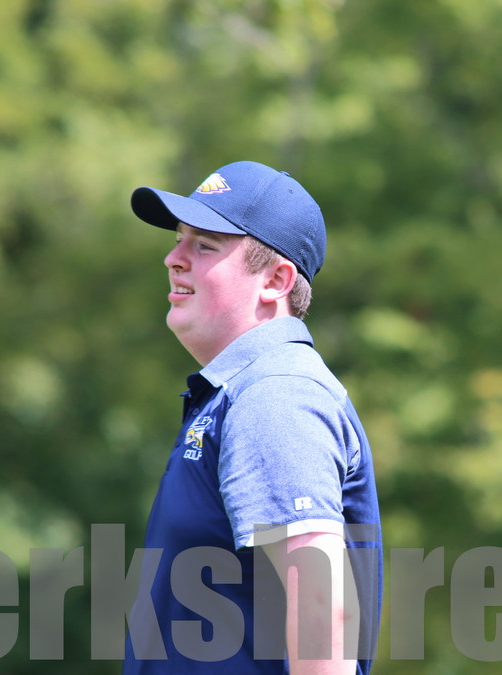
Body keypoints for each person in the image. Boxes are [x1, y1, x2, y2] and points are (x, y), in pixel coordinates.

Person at [123, 161, 382, 674]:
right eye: (178, 240)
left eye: (205, 245)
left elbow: (321, 610)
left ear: (276, 281)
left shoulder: (275, 392)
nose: (174, 258)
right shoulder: (243, 391)